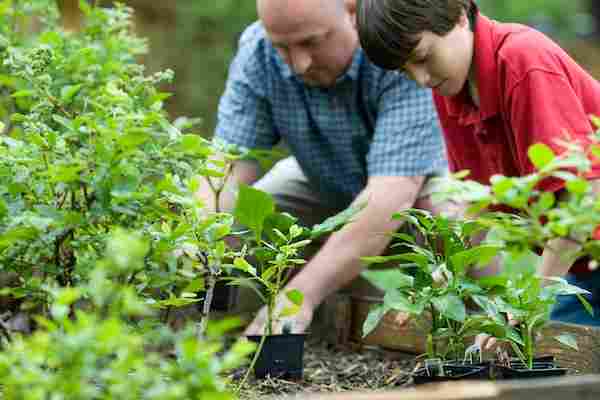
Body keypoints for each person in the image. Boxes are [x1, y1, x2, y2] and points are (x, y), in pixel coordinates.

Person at [194, 0, 447, 335]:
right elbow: (226, 165)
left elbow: (389, 197)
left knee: (455, 219)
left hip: (416, 188)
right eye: (282, 47)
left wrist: (300, 296)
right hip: (321, 177)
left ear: (353, 11)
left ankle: (493, 336)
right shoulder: (257, 51)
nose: (298, 64)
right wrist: (197, 236)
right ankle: (279, 325)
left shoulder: (397, 49)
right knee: (245, 222)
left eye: (312, 42)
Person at [356, 0, 600, 330]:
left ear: (459, 15)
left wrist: (530, 303)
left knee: (564, 354)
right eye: (404, 71)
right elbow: (478, 202)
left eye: (423, 58)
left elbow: (583, 193)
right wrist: (441, 280)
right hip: (586, 266)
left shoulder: (521, 59)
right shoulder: (451, 89)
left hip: (585, 246)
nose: (421, 79)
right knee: (548, 350)